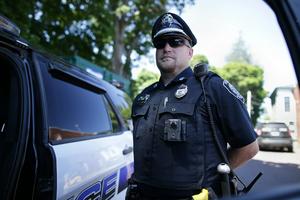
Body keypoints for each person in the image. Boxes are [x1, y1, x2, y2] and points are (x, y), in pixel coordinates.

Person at [129, 12, 259, 200]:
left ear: (190, 52)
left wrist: (215, 180)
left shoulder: (211, 88)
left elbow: (249, 146)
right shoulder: (143, 97)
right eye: (160, 43)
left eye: (175, 41)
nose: (166, 48)